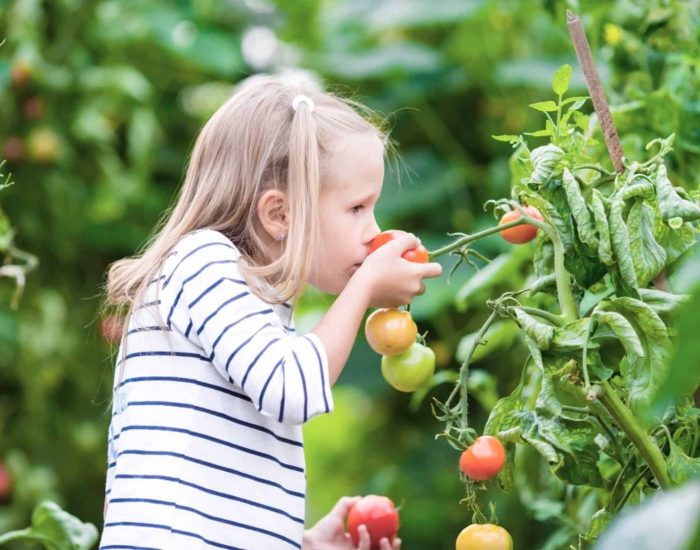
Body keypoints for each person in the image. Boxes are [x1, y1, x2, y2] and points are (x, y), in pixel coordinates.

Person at [99, 75, 442, 549]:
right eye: (357, 207)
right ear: (279, 214)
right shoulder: (204, 263)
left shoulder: (254, 301)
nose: (374, 230)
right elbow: (291, 389)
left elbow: (223, 498)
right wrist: (363, 287)